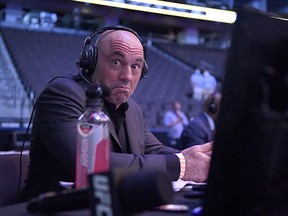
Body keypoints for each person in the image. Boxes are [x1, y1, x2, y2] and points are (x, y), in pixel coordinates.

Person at [20, 25, 213, 201]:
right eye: (116, 62)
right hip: (51, 207)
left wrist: (195, 158)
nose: (127, 76)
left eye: (135, 66)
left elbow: (156, 151)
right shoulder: (62, 94)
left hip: (107, 204)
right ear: (91, 61)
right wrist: (184, 165)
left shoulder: (133, 109)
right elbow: (90, 164)